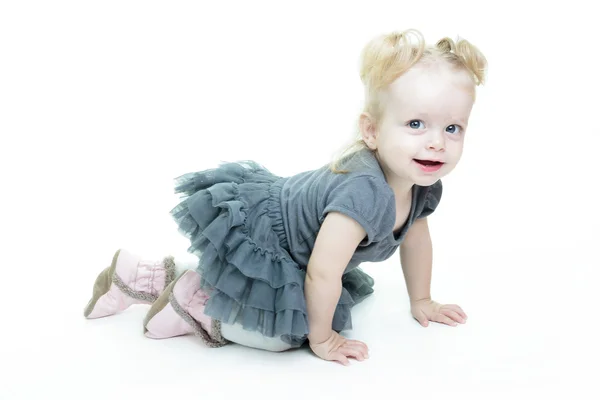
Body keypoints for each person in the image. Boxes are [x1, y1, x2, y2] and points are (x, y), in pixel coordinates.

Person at [83, 28, 488, 366]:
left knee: (319, 306)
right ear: (372, 131)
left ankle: (144, 273)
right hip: (272, 239)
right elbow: (322, 274)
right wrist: (323, 339)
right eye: (416, 124)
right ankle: (197, 305)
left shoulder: (422, 183)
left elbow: (416, 240)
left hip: (302, 249)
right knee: (287, 334)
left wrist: (422, 299)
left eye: (453, 128)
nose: (437, 143)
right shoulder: (364, 192)